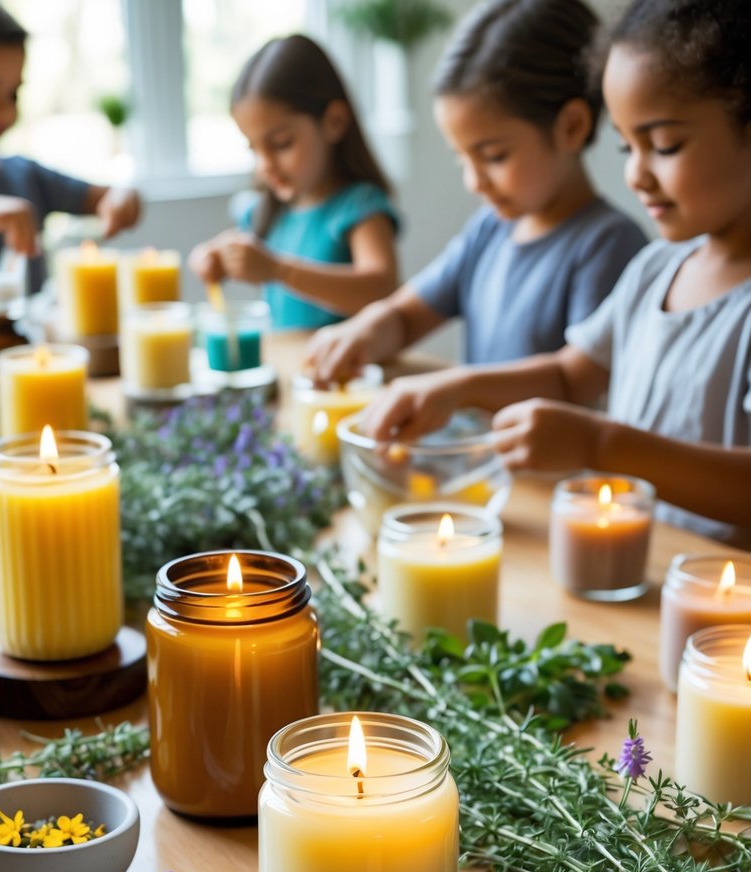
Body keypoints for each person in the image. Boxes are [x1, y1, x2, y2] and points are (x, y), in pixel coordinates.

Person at [359, 0, 751, 545]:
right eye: (626, 146)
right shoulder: (654, 270)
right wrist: (455, 388)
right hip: (629, 570)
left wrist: (599, 444)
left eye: (664, 145)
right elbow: (571, 375)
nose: (636, 174)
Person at [305, 0, 646, 382]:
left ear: (571, 127)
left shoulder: (609, 246)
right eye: (461, 159)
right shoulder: (489, 231)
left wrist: (458, 388)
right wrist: (365, 331)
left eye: (494, 156)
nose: (474, 182)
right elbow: (404, 318)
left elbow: (576, 383)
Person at [0, 0, 141, 321]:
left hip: (31, 356)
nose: (4, 110)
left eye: (13, 94)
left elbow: (112, 195)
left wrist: (124, 197)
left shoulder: (27, 175)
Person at [188, 33, 399, 331]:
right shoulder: (268, 210)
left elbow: (382, 288)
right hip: (290, 368)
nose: (265, 165)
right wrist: (213, 256)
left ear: (334, 122)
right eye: (254, 149)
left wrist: (278, 270)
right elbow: (237, 246)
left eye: (281, 143)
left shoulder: (359, 205)